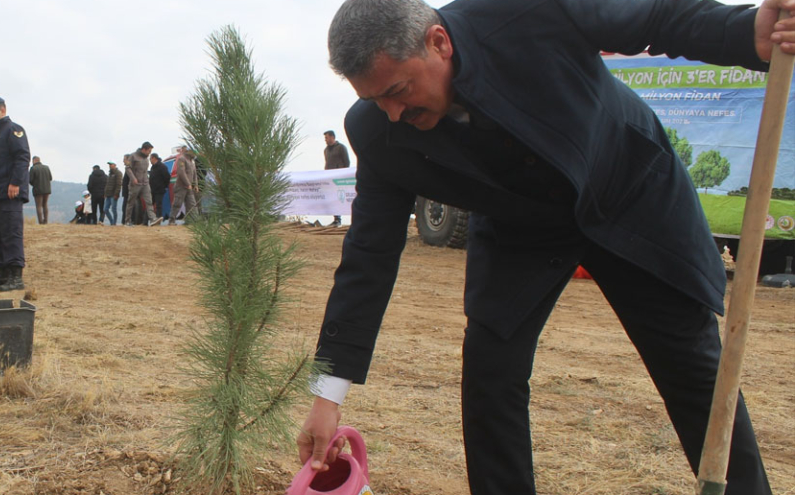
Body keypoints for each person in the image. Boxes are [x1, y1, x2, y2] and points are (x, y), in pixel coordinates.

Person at [297, 1, 794, 494]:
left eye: (398, 91)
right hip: (521, 226)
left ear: (439, 43)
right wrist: (328, 394)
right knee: (490, 375)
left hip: (624, 190)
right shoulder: (376, 130)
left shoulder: (527, 12)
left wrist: (746, 30)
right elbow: (369, 256)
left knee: (691, 366)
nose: (393, 113)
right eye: (376, 100)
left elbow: (655, 17)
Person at [0, 96, 30, 292]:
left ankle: (15, 275)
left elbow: (22, 157)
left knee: (11, 234)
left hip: (10, 192)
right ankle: (1, 271)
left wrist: (16, 182)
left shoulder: (13, 130)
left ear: (2, 110)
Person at [125, 142, 162, 226]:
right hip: (135, 184)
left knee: (149, 201)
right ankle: (127, 220)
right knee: (131, 202)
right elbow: (128, 168)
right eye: (149, 151)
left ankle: (152, 218)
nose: (150, 153)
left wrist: (147, 180)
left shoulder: (146, 159)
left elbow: (145, 171)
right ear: (144, 149)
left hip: (145, 183)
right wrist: (133, 178)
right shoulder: (133, 156)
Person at [323, 130, 350, 227]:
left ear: (332, 137)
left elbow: (347, 162)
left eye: (326, 137)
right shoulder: (325, 150)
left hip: (339, 178)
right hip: (329, 178)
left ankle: (339, 219)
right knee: (332, 198)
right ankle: (336, 219)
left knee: (340, 197)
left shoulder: (341, 148)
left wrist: (342, 173)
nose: (325, 140)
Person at [168, 147, 198, 226]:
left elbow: (194, 174)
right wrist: (188, 183)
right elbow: (181, 172)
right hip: (181, 186)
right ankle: (171, 220)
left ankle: (193, 221)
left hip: (189, 187)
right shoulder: (182, 159)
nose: (195, 155)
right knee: (177, 203)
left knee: (192, 204)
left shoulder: (192, 161)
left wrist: (196, 185)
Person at [29, 155, 53, 224]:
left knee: (38, 206)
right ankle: (46, 221)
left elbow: (30, 180)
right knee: (45, 204)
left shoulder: (33, 168)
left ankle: (40, 221)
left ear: (34, 160)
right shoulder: (46, 167)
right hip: (47, 189)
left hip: (38, 190)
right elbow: (50, 178)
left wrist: (35, 184)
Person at [149, 153, 171, 221]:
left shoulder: (162, 166)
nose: (150, 160)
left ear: (154, 158)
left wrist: (164, 186)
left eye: (150, 159)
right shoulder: (152, 167)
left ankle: (159, 218)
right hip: (152, 189)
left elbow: (167, 177)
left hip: (159, 189)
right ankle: (148, 220)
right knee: (150, 204)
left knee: (159, 205)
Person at [104, 161, 123, 225]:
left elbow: (119, 184)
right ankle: (112, 221)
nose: (110, 166)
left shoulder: (118, 173)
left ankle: (114, 222)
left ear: (115, 165)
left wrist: (116, 194)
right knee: (105, 209)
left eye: (111, 164)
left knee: (113, 209)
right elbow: (107, 184)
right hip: (108, 194)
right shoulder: (110, 174)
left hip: (113, 194)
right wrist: (105, 193)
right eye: (109, 165)